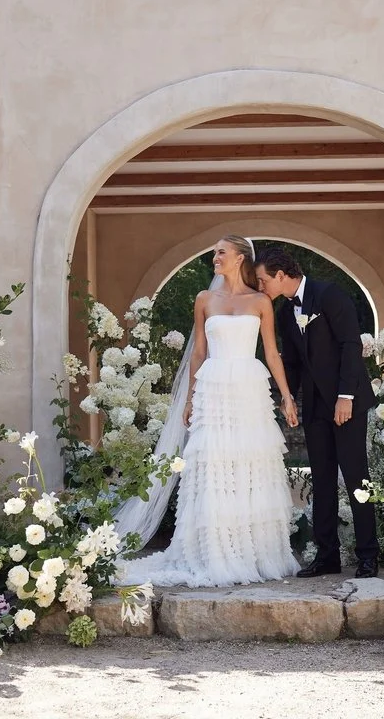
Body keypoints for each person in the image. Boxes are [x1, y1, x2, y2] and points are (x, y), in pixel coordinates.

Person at [116, 235, 301, 587]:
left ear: (240, 258)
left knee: (249, 462)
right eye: (215, 252)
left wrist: (287, 395)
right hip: (213, 387)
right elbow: (198, 352)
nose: (214, 258)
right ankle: (213, 551)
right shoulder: (204, 299)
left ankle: (253, 552)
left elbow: (272, 353)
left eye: (221, 252)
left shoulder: (261, 301)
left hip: (248, 387)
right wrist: (189, 398)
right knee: (212, 462)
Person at [254, 247, 380, 578]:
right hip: (313, 406)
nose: (261, 286)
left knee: (356, 477)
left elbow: (351, 345)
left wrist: (345, 396)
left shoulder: (329, 294)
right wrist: (288, 399)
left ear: (281, 275)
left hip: (346, 401)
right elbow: (292, 362)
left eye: (263, 279)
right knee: (321, 480)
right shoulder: (283, 314)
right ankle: (327, 557)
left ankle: (368, 556)